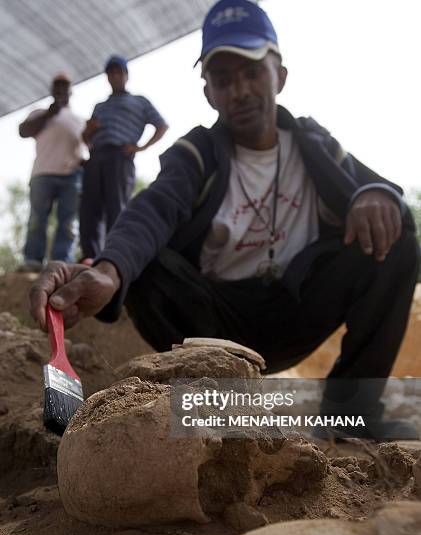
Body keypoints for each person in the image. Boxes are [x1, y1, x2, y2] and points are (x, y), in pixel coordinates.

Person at [30, 0, 420, 440]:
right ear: (208, 93)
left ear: (281, 76)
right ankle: (212, 413)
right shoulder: (196, 155)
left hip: (298, 311)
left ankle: (355, 413)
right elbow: (154, 209)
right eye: (223, 78)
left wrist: (372, 194)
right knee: (142, 264)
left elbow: (390, 202)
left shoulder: (317, 148)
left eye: (253, 71)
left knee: (397, 240)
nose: (239, 90)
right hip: (213, 332)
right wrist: (105, 269)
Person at [79, 54, 169, 261]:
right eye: (110, 72)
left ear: (126, 75)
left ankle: (114, 258)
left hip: (120, 156)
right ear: (107, 77)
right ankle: (91, 258)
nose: (114, 76)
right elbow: (85, 138)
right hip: (95, 157)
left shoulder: (139, 102)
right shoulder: (99, 107)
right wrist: (88, 130)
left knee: (116, 207)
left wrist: (142, 147)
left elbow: (162, 125)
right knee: (89, 209)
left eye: (118, 71)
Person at [19, 74, 84, 271]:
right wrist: (49, 114)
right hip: (42, 174)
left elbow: (86, 147)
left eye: (65, 87)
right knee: (37, 220)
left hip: (71, 177)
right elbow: (23, 131)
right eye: (57, 87)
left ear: (71, 91)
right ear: (52, 91)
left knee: (68, 223)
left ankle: (61, 263)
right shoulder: (39, 113)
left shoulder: (79, 120)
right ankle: (33, 261)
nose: (61, 91)